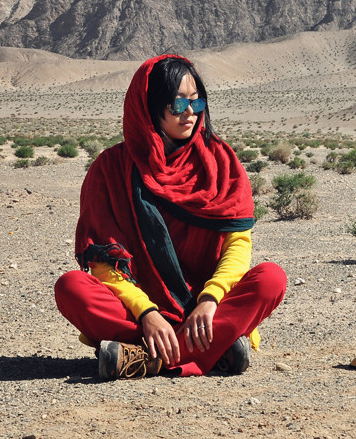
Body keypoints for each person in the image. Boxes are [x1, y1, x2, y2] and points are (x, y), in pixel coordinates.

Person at [54, 54, 286, 379]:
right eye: (177, 104)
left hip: (205, 311)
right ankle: (212, 350)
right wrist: (147, 312)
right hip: (138, 312)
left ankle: (143, 358)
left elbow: (238, 246)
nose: (190, 113)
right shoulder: (109, 170)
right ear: (149, 107)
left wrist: (210, 299)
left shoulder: (221, 163)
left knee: (271, 279)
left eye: (197, 102)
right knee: (71, 287)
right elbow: (103, 262)